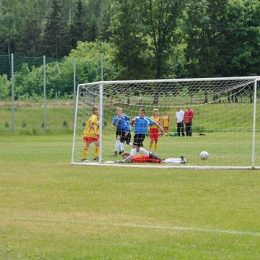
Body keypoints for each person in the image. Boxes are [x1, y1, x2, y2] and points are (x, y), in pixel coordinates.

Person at [106, 152, 188, 164]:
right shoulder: (132, 157)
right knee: (164, 160)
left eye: (124, 157)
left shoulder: (130, 158)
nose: (124, 159)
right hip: (149, 157)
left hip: (149, 157)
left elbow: (122, 161)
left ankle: (181, 161)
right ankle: (180, 160)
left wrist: (112, 162)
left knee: (163, 161)